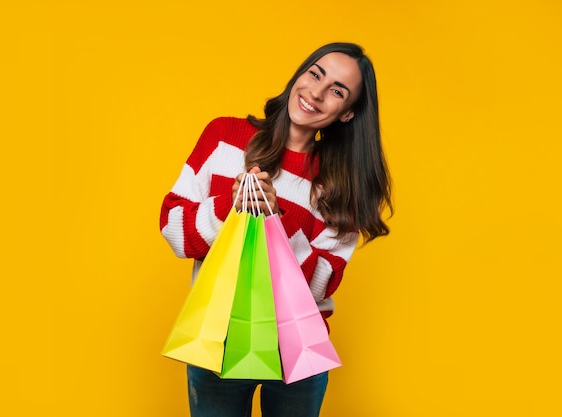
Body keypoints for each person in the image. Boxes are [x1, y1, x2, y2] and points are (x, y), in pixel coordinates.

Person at [160, 42, 393, 417]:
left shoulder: (344, 185)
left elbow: (319, 285)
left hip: (295, 354)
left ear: (348, 113)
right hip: (219, 339)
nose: (316, 93)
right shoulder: (225, 136)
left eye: (336, 91)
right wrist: (228, 208)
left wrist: (276, 218)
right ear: (299, 75)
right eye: (315, 74)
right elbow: (174, 231)